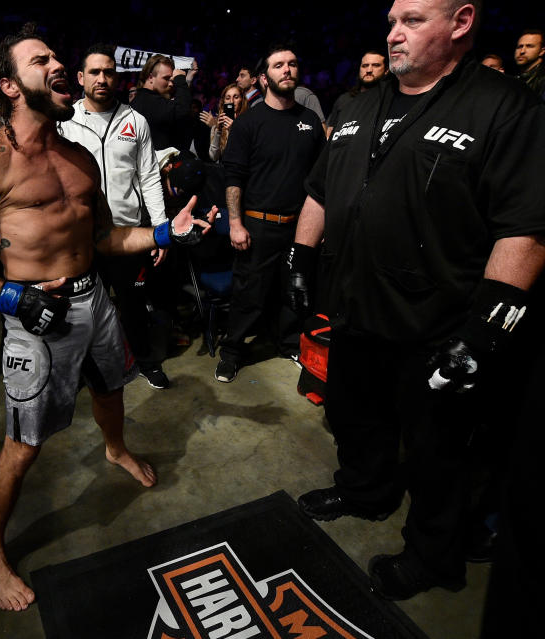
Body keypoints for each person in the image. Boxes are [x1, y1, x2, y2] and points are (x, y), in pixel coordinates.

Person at [0, 25, 215, 612]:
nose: (59, 64)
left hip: (95, 300)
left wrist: (166, 232)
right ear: (9, 85)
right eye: (42, 60)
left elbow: (105, 236)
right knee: (24, 445)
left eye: (59, 56)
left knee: (111, 387)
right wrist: (11, 297)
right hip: (33, 315)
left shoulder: (80, 156)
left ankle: (115, 448)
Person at [289, 0, 545, 601]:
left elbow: (526, 231)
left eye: (412, 21)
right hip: (354, 308)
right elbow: (320, 190)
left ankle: (434, 556)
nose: (393, 33)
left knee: (438, 453)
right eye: (391, 20)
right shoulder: (360, 102)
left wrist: (485, 335)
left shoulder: (505, 108)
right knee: (354, 417)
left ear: (460, 23)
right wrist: (300, 259)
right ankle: (365, 491)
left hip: (438, 323)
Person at [59, 43, 173, 389]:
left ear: (117, 77)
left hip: (126, 234)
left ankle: (145, 361)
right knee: (79, 311)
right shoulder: (65, 122)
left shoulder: (135, 120)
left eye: (108, 71)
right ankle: (80, 370)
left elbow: (149, 176)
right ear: (80, 78)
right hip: (81, 236)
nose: (102, 78)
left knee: (134, 304)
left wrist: (160, 228)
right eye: (94, 72)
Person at [214, 43, 325, 383]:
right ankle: (232, 351)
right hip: (258, 225)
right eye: (279, 65)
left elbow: (320, 178)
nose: (288, 70)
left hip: (299, 227)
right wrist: (235, 223)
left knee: (294, 291)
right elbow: (233, 177)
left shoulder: (309, 121)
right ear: (264, 78)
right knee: (249, 294)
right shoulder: (249, 123)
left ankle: (289, 343)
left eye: (292, 64)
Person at [130, 54, 198, 151]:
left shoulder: (144, 99)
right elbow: (182, 111)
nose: (171, 84)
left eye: (172, 80)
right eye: (166, 78)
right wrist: (180, 80)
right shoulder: (151, 102)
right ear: (150, 77)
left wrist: (187, 80)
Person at [325, 50, 388, 136]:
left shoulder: (389, 99)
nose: (369, 70)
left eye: (376, 65)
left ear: (386, 70)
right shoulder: (344, 100)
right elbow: (329, 135)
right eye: (364, 66)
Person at [207, 83, 248, 161]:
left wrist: (233, 130)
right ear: (223, 102)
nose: (231, 101)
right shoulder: (218, 124)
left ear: (242, 100)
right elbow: (213, 157)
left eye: (236, 97)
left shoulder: (248, 123)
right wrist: (218, 131)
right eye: (228, 98)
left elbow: (244, 155)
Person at [514, 28, 545, 99]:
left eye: (529, 46)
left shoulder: (542, 79)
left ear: (542, 51)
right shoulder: (516, 78)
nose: (522, 51)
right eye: (519, 46)